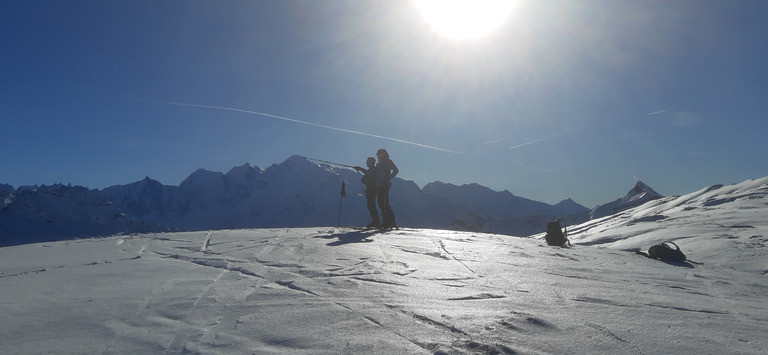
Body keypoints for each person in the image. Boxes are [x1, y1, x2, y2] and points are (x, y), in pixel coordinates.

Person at [375, 149, 398, 229]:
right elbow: (374, 174)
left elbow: (396, 170)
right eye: (378, 154)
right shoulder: (378, 164)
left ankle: (389, 222)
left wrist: (388, 178)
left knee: (385, 204)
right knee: (382, 204)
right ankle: (387, 222)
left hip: (385, 185)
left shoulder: (388, 161)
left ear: (383, 154)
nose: (378, 156)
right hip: (378, 186)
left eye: (379, 154)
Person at [353, 157, 379, 228]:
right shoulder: (370, 170)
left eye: (368, 161)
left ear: (372, 162)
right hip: (369, 190)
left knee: (372, 205)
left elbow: (369, 174)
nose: (366, 163)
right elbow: (362, 180)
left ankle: (376, 222)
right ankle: (375, 221)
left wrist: (360, 169)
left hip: (372, 190)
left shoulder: (374, 170)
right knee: (370, 205)